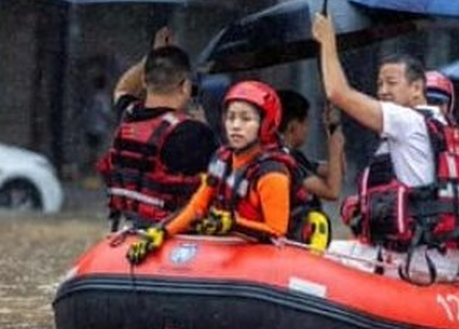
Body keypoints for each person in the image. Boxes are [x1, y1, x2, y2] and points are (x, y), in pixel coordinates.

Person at [311, 13, 459, 281]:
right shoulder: (445, 127)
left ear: (417, 88)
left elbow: (338, 93)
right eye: (379, 84)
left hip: (414, 260)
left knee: (315, 254)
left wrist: (327, 41)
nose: (383, 91)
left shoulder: (407, 120)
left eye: (391, 83)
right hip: (444, 256)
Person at [126, 80, 325, 263]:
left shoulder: (272, 172)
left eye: (246, 119)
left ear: (265, 124)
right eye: (231, 118)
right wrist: (162, 231)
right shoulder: (222, 159)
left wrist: (232, 224)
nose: (236, 126)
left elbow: (277, 231)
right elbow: (198, 206)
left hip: (277, 255)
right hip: (237, 248)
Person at [98, 28, 218, 231]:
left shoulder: (128, 116)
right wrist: (204, 126)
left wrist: (153, 55)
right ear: (185, 86)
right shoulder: (194, 133)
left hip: (127, 230)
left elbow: (123, 88)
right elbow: (220, 180)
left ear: (144, 81)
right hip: (171, 238)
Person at [277, 89, 346, 204]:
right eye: (306, 123)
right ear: (292, 127)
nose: (307, 130)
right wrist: (334, 147)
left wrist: (333, 129)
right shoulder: (285, 162)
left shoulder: (297, 158)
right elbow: (332, 192)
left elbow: (338, 170)